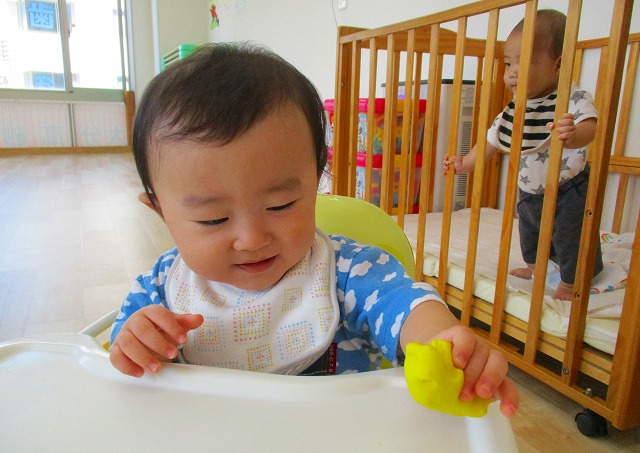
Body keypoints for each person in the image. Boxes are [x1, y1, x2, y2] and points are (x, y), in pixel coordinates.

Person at [109, 42, 518, 417]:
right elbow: (121, 364)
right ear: (160, 212)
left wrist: (445, 345)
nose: (252, 239)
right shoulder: (159, 290)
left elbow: (405, 305)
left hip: (338, 445)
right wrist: (135, 344)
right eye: (213, 219)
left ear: (317, 180)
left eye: (281, 205)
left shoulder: (347, 272)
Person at [443, 9, 603, 301]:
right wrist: (465, 163)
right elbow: (492, 138)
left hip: (568, 187)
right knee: (529, 232)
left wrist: (573, 134)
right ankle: (534, 266)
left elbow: (590, 127)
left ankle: (570, 282)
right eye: (508, 63)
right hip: (529, 189)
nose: (512, 72)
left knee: (571, 236)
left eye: (524, 61)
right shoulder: (517, 106)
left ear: (558, 65)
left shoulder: (572, 98)